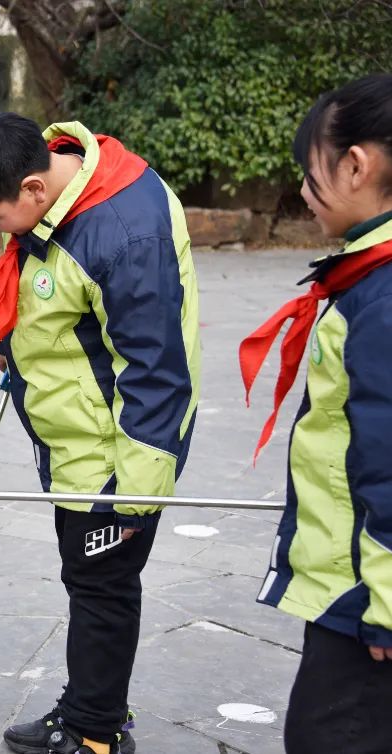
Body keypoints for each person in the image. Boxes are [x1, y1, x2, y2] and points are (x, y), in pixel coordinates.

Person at [0, 112, 200, 754]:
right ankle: (92, 708)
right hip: (76, 439)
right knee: (88, 581)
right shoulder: (63, 191)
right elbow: (53, 288)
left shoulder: (122, 230)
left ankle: (96, 734)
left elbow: (156, 372)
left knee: (102, 586)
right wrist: (14, 339)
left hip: (116, 455)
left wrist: (134, 496)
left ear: (32, 188)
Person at [239, 73, 392, 754]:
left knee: (329, 735)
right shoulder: (368, 277)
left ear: (356, 166)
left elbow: (387, 461)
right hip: (360, 585)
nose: (303, 192)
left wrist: (385, 609)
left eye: (311, 173)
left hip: (367, 599)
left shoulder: (382, 299)